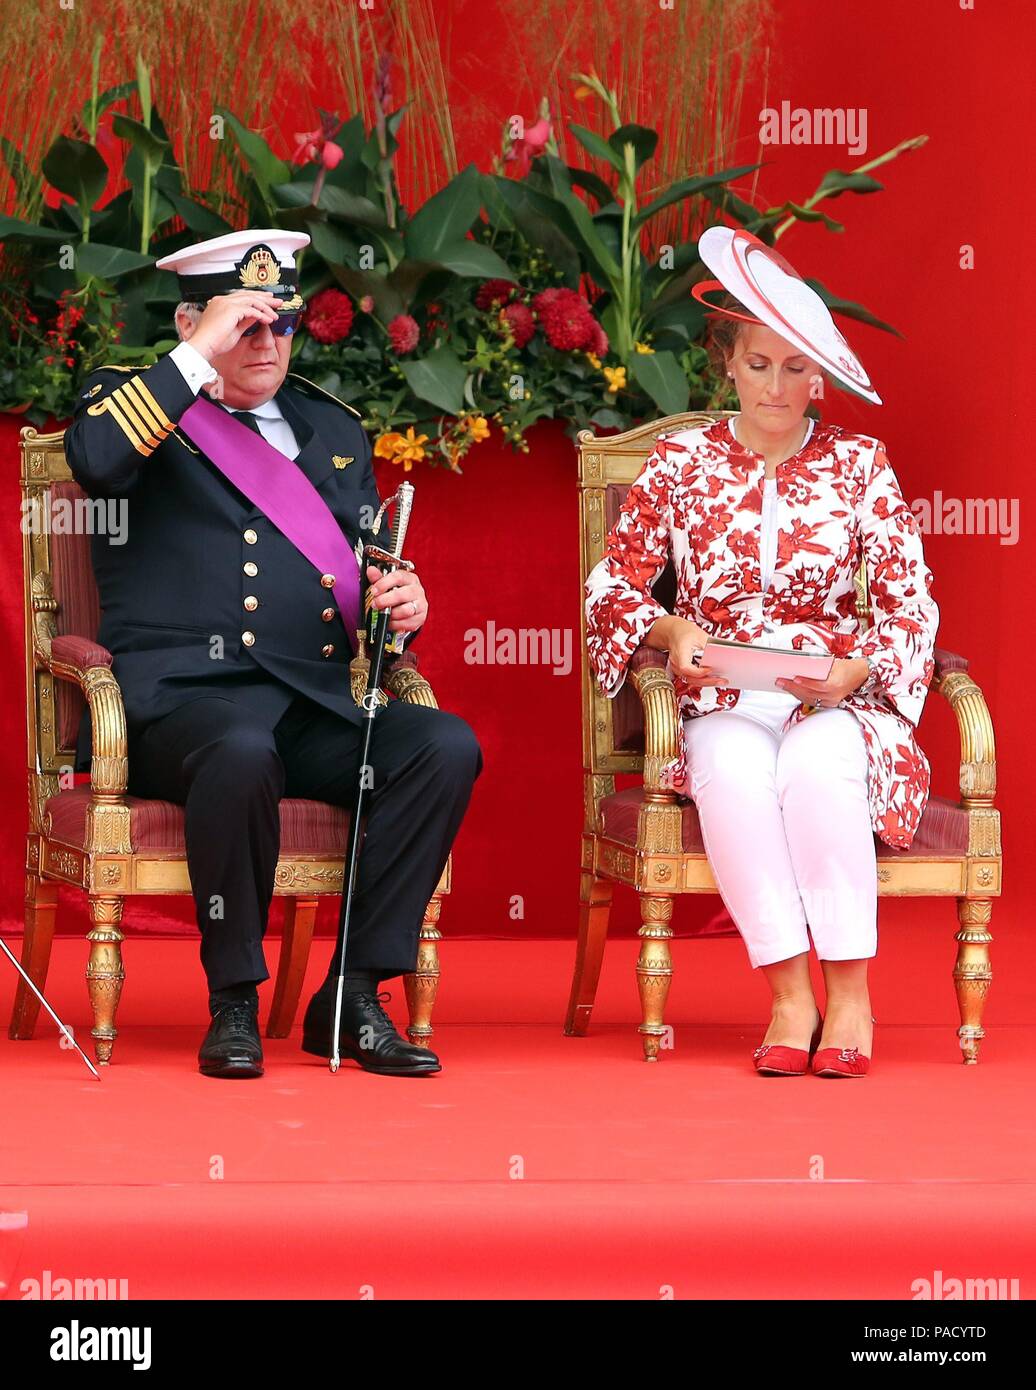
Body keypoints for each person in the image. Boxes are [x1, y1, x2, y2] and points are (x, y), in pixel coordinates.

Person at [64, 228, 482, 1079]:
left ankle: (354, 996)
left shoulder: (332, 430)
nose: (266, 344)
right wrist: (194, 360)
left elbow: (364, 579)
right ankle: (234, 1002)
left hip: (311, 703)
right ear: (192, 326)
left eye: (279, 325)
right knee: (239, 748)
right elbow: (98, 465)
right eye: (241, 326)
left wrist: (402, 610)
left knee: (442, 746)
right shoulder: (136, 406)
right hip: (180, 704)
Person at [584, 227, 938, 1079]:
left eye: (795, 368)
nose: (776, 386)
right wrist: (673, 633)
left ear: (820, 376)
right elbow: (610, 587)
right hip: (723, 697)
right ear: (727, 366)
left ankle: (850, 994)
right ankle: (789, 994)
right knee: (735, 771)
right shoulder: (679, 462)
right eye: (757, 364)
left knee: (818, 766)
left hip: (835, 696)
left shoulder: (861, 465)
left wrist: (862, 669)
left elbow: (909, 602)